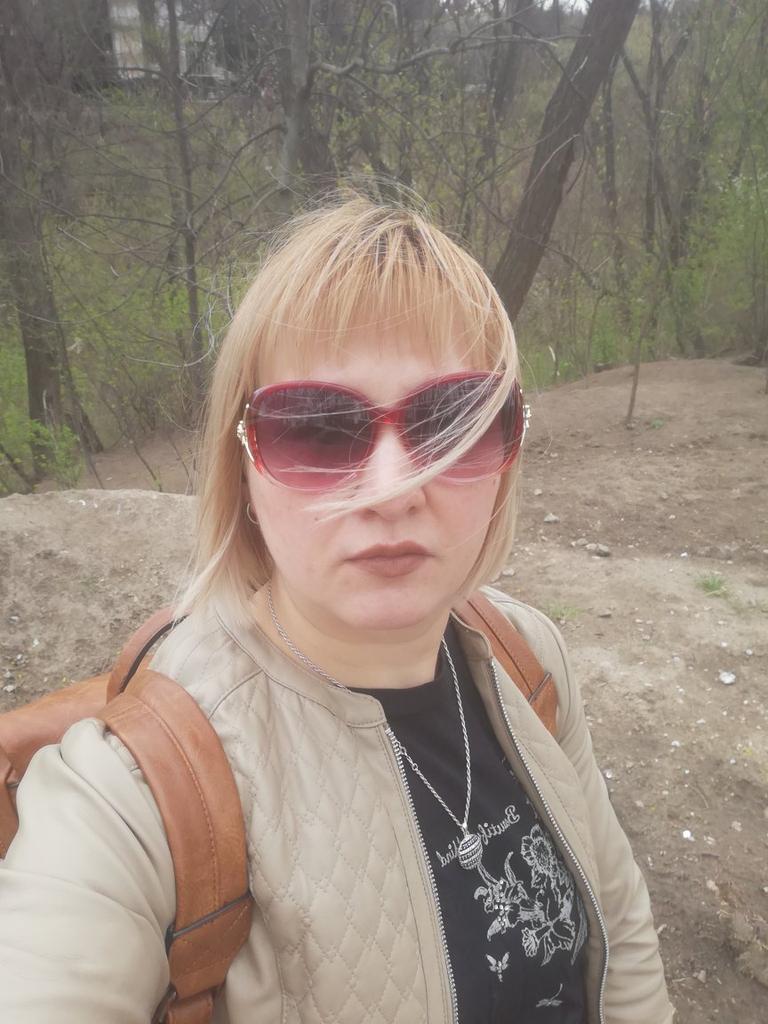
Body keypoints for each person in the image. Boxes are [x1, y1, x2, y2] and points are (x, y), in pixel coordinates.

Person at [0, 192, 673, 1023]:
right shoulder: (142, 790)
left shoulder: (526, 657)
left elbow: (621, 933)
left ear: (507, 447)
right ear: (244, 468)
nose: (393, 490)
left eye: (451, 421)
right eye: (317, 430)